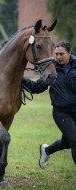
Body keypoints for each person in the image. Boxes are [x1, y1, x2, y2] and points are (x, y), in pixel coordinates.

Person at [22, 40, 76, 168]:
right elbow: (37, 87)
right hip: (61, 113)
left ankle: (46, 150)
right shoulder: (52, 69)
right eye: (56, 54)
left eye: (61, 54)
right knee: (75, 140)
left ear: (69, 53)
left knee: (67, 142)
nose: (58, 57)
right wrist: (20, 78)